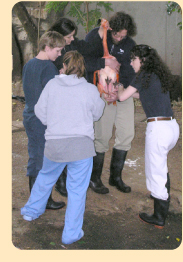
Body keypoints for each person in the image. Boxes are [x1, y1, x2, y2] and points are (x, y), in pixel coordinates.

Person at [21, 50, 105, 244]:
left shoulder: (52, 85)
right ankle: (70, 234)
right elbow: (97, 113)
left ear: (64, 67)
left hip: (55, 144)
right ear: (82, 68)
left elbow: (40, 111)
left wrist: (55, 123)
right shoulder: (90, 89)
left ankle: (31, 212)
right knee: (76, 190)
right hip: (81, 147)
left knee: (45, 177)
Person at [48, 17, 111, 197]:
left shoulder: (72, 46)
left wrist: (100, 33)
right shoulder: (55, 54)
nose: (72, 39)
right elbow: (78, 66)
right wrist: (103, 64)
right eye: (69, 36)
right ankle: (61, 182)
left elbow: (90, 49)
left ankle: (69, 180)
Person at [118, 44, 179, 228]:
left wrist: (119, 86)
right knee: (160, 167)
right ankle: (161, 199)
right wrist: (128, 93)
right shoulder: (156, 74)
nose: (131, 63)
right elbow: (141, 95)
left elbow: (122, 97)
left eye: (133, 59)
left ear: (142, 60)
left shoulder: (143, 74)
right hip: (171, 127)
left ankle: (159, 217)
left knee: (156, 171)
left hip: (158, 129)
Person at [84, 11, 137, 194]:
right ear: (110, 29)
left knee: (127, 134)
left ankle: (115, 178)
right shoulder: (95, 36)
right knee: (102, 136)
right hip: (102, 94)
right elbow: (83, 62)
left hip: (122, 93)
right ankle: (95, 178)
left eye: (124, 35)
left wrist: (121, 89)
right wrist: (102, 63)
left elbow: (132, 71)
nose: (120, 38)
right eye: (117, 34)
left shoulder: (130, 44)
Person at [22, 31, 66, 210]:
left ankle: (39, 198)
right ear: (47, 48)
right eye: (58, 50)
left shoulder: (29, 64)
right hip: (42, 119)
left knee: (36, 156)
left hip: (30, 115)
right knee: (41, 159)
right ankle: (41, 200)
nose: (60, 54)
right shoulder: (48, 67)